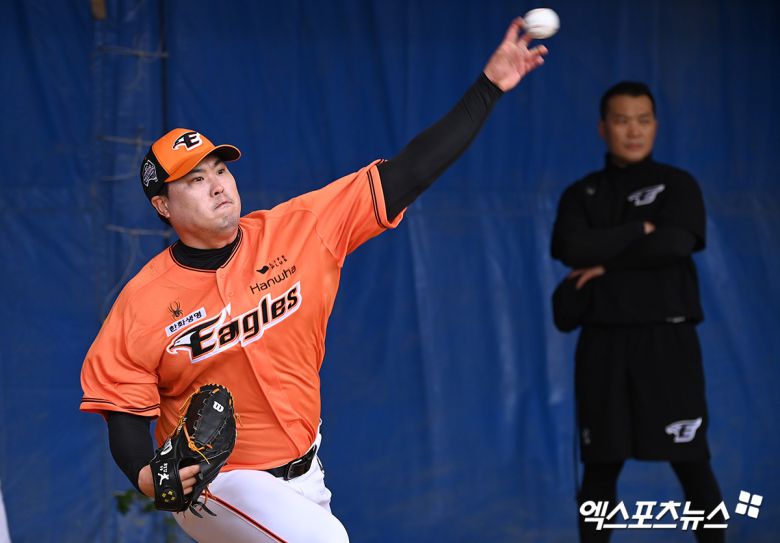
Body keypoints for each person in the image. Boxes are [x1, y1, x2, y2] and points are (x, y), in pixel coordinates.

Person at [80, 18, 547, 543]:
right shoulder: (144, 300)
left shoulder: (300, 230)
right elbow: (122, 409)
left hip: (305, 474)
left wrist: (489, 86)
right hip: (219, 485)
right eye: (195, 179)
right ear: (163, 206)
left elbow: (410, 172)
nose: (217, 186)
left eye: (220, 171)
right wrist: (145, 473)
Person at [551, 81, 724, 543]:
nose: (634, 131)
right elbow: (570, 247)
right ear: (603, 128)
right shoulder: (582, 194)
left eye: (643, 120)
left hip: (668, 343)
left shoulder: (678, 185)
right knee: (599, 471)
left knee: (692, 464)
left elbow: (675, 243)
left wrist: (605, 262)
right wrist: (638, 230)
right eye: (623, 121)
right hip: (603, 346)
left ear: (656, 126)